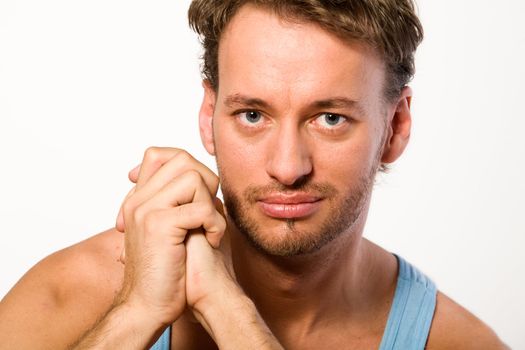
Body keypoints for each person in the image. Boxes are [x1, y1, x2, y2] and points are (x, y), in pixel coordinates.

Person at [0, 0, 509, 349]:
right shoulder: (73, 294)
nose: (287, 167)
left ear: (394, 127)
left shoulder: (457, 342)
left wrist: (228, 311)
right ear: (209, 117)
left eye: (330, 118)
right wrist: (134, 315)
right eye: (252, 115)